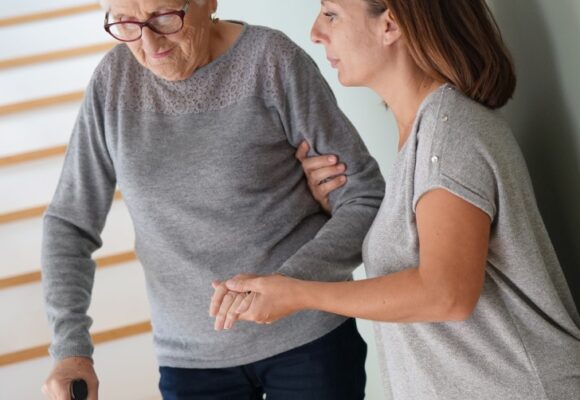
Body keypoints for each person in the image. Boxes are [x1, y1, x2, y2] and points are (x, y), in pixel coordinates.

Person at [216, 1, 580, 399]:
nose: (316, 33)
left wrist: (296, 293)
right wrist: (330, 206)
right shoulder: (425, 133)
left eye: (331, 13)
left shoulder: (450, 133)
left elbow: (446, 294)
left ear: (390, 24)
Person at [40, 0, 385, 399]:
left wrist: (290, 284)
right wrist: (70, 349)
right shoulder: (113, 82)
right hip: (191, 363)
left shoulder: (271, 61)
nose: (149, 42)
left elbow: (363, 195)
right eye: (125, 23)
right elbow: (69, 224)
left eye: (164, 17)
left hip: (308, 342)